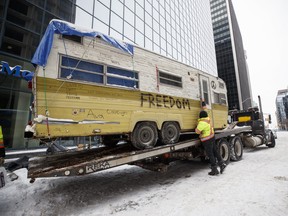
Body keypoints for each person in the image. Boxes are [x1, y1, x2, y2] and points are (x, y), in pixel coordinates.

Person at [195, 110, 227, 175]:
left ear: (200, 116)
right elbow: (205, 109)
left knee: (210, 154)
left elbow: (197, 131)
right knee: (215, 151)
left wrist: (196, 127)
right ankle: (222, 164)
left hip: (207, 140)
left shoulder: (202, 122)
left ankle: (214, 169)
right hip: (212, 137)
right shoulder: (208, 119)